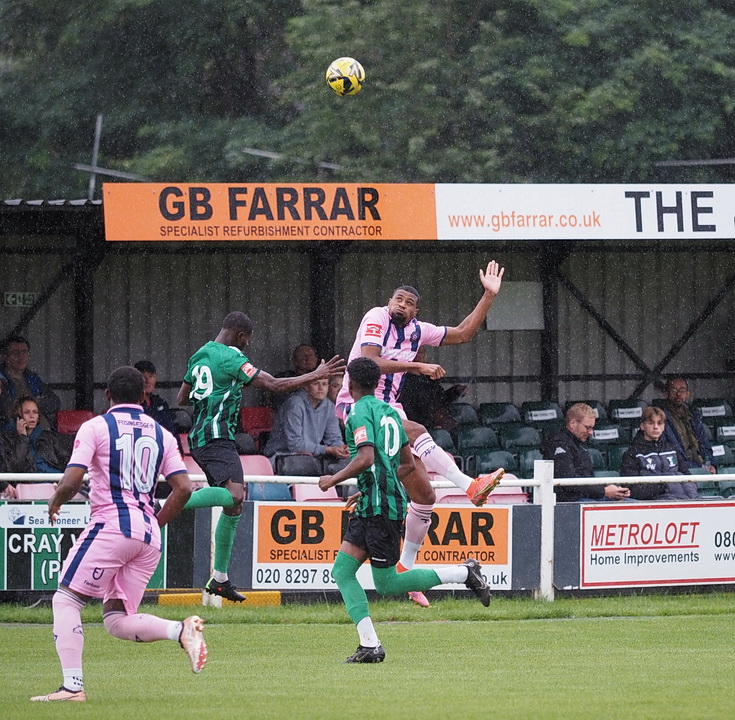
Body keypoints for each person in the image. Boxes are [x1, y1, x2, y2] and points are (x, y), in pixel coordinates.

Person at [334, 261, 506, 607]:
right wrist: (417, 365)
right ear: (388, 302)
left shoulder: (417, 330)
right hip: (357, 405)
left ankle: (407, 570)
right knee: (417, 429)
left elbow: (462, 334)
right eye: (397, 299)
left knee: (425, 496)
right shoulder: (376, 318)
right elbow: (368, 361)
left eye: (408, 303)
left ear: (416, 311)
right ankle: (470, 486)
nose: (401, 305)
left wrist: (488, 296)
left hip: (389, 409)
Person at [30, 366, 206, 703]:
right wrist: (155, 523)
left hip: (112, 526)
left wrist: (56, 500)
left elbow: (71, 481)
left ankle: (72, 687)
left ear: (107, 395)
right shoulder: (162, 434)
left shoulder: (96, 427)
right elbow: (183, 488)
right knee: (116, 619)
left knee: (66, 599)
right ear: (144, 396)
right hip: (148, 535)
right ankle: (178, 630)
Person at [319, 358, 492, 663]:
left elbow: (366, 457)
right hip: (376, 501)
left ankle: (464, 572)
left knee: (388, 583)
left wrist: (332, 479)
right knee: (343, 571)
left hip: (381, 507)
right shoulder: (391, 414)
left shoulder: (357, 411)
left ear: (350, 384)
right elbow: (407, 464)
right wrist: (368, 487)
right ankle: (369, 644)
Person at [176, 311, 345, 603]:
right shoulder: (232, 357)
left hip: (201, 437)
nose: (247, 347)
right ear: (241, 337)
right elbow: (275, 385)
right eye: (247, 342)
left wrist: (217, 391)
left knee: (233, 507)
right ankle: (170, 501)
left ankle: (220, 579)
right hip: (217, 438)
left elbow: (182, 398)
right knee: (236, 494)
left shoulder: (200, 354)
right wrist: (316, 374)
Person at [541, 402, 631, 502]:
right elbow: (568, 481)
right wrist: (603, 491)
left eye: (592, 428)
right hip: (569, 501)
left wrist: (611, 490)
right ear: (573, 423)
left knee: (630, 503)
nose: (591, 432)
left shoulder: (577, 444)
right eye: (588, 427)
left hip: (584, 496)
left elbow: (584, 479)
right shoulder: (558, 444)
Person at [263, 378, 349, 467]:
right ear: (306, 386)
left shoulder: (330, 407)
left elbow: (334, 438)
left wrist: (341, 449)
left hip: (310, 458)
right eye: (315, 384)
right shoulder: (294, 404)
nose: (320, 388)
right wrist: (327, 450)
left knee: (346, 464)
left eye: (324, 384)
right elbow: (295, 445)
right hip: (281, 456)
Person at [0, 396, 73, 499]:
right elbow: (14, 466)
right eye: (26, 412)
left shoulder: (49, 437)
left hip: (55, 483)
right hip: (29, 487)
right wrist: (23, 438)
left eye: (35, 412)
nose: (31, 416)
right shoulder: (7, 439)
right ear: (17, 416)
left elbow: (67, 460)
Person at [619, 405, 699, 500]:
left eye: (660, 423)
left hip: (688, 499)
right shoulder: (632, 453)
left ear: (664, 426)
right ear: (642, 426)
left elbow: (687, 476)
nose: (656, 427)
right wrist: (664, 486)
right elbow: (632, 489)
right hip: (656, 504)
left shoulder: (672, 448)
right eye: (651, 423)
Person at [398, 347, 468, 431]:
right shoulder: (403, 379)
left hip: (438, 425)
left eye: (421, 353)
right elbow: (408, 409)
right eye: (416, 353)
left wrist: (456, 391)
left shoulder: (429, 379)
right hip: (422, 427)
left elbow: (441, 399)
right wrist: (430, 425)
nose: (418, 356)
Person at [0, 334, 61, 429]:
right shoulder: (2, 381)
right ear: (4, 356)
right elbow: (4, 411)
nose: (21, 356)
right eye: (16, 352)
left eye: (24, 352)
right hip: (11, 436)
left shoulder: (33, 379)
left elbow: (55, 403)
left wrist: (36, 402)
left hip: (43, 434)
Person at [660, 377, 715, 474]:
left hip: (701, 466)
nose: (678, 394)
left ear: (688, 393)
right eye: (674, 390)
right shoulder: (661, 418)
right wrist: (698, 467)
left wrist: (710, 464)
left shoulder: (694, 415)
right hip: (679, 470)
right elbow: (669, 453)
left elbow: (705, 445)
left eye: (682, 390)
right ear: (666, 393)